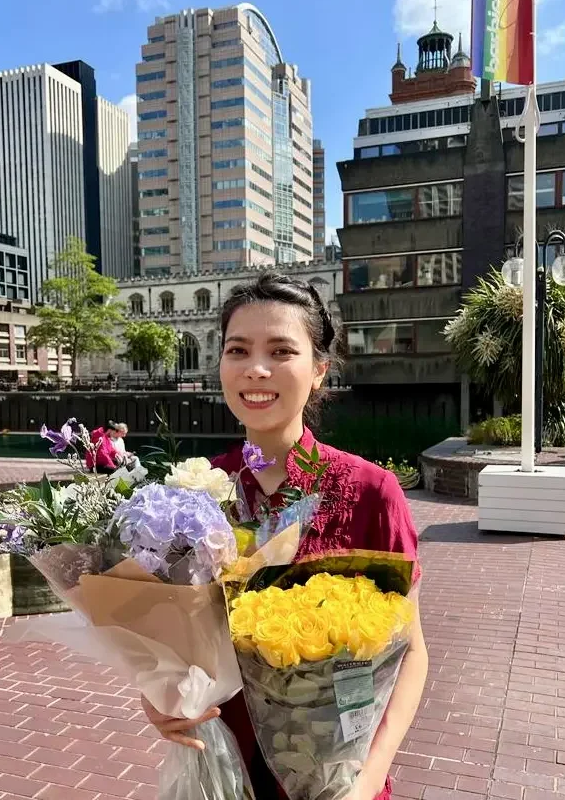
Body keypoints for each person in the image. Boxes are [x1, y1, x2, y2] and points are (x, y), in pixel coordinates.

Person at [141, 273, 428, 800]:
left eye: (281, 351)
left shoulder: (371, 492)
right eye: (238, 350)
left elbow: (411, 652)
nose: (256, 369)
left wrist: (366, 780)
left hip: (340, 772)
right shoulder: (191, 496)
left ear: (318, 370)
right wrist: (156, 699)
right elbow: (164, 640)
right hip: (221, 765)